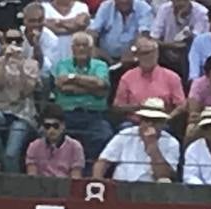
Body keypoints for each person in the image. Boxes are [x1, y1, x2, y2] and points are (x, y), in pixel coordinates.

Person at [0, 29, 39, 173]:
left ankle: (13, 187)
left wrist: (20, 66)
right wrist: (5, 61)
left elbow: (26, 92)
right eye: (9, 40)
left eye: (18, 41)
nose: (13, 44)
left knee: (10, 154)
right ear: (3, 43)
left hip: (22, 114)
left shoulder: (32, 64)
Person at [54, 33, 112, 168]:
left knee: (104, 135)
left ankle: (89, 172)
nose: (81, 49)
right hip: (67, 114)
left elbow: (100, 84)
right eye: (78, 45)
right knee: (49, 132)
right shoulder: (62, 64)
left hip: (94, 115)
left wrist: (73, 78)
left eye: (85, 45)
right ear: (72, 48)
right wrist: (92, 89)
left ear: (91, 49)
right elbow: (62, 85)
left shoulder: (100, 65)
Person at [92, 97, 180, 180]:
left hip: (152, 191)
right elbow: (102, 162)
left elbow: (164, 176)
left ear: (163, 123)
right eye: (146, 120)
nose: (150, 124)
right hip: (120, 186)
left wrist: (153, 148)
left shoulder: (171, 143)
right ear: (140, 121)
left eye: (155, 121)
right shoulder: (125, 135)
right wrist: (98, 183)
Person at [113, 36, 185, 119]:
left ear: (157, 53)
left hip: (163, 122)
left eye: (150, 52)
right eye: (143, 53)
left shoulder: (172, 77)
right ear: (137, 55)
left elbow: (181, 106)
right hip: (134, 123)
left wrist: (168, 118)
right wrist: (138, 107)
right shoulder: (127, 78)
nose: (147, 56)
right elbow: (117, 107)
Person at [150, 0, 207, 78]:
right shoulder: (164, 9)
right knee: (152, 49)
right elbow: (153, 39)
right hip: (167, 51)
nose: (180, 3)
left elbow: (200, 41)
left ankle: (189, 81)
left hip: (189, 53)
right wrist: (172, 46)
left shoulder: (201, 12)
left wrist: (183, 21)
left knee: (189, 50)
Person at [24, 103, 85, 177]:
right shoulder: (34, 147)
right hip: (40, 186)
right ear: (43, 127)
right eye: (47, 126)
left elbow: (75, 180)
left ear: (63, 126)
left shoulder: (75, 147)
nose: (51, 130)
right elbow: (32, 177)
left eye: (55, 126)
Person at [89, 0, 154, 64]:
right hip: (105, 57)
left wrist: (132, 50)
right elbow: (93, 31)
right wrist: (93, 48)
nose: (124, 1)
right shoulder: (106, 6)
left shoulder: (143, 7)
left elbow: (144, 34)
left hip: (133, 56)